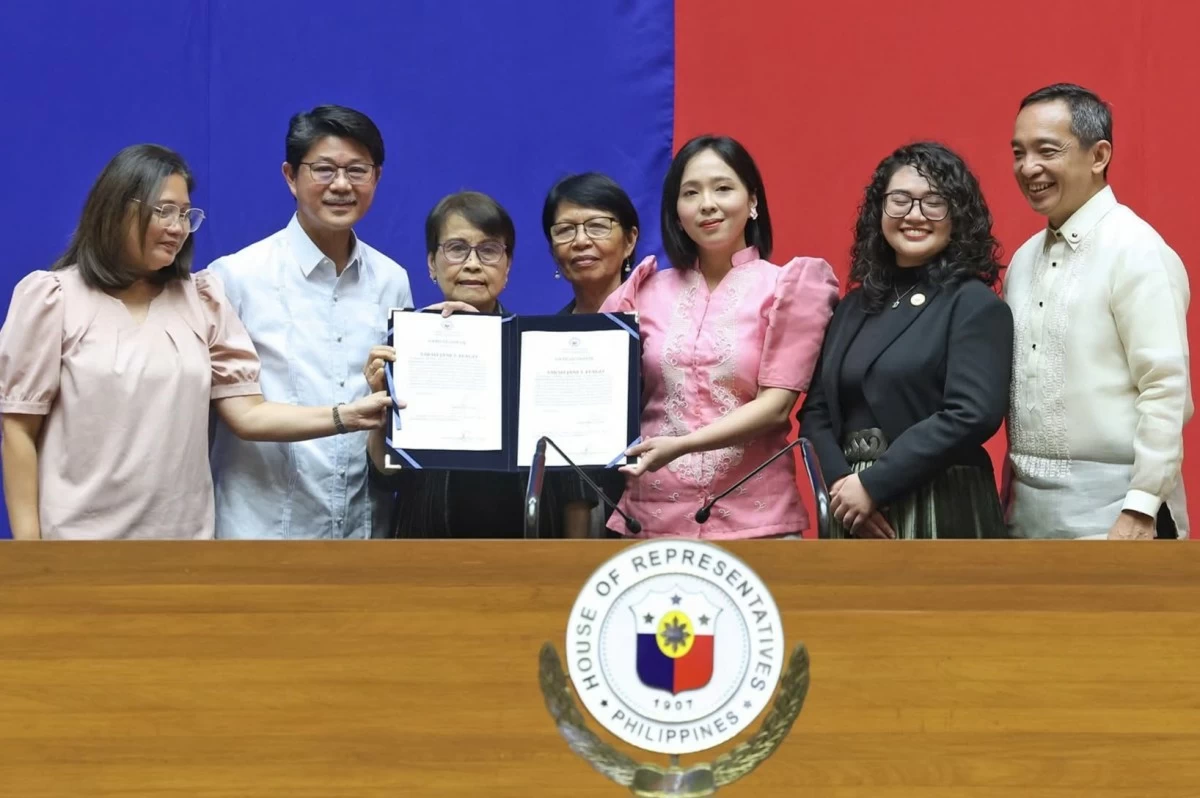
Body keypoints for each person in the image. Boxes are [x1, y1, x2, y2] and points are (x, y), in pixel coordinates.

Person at [0, 144, 393, 540]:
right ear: (117, 208)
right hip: (74, 544)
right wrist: (31, 551)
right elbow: (17, 429)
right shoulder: (53, 298)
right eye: (164, 211)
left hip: (184, 543)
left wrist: (347, 416)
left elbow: (248, 414)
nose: (177, 227)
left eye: (186, 215)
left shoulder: (202, 299)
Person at [600, 134, 839, 539]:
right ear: (676, 213)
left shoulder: (789, 287)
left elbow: (776, 406)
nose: (707, 203)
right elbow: (585, 375)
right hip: (650, 522)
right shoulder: (642, 292)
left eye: (723, 188)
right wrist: (468, 324)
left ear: (753, 201)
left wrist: (680, 445)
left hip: (757, 522)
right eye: (690, 193)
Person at [205, 105, 413, 540]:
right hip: (260, 533)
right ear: (290, 176)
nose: (341, 185)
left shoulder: (392, 281)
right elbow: (233, 414)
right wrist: (345, 415)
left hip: (364, 532)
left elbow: (397, 413)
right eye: (324, 169)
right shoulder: (235, 277)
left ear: (376, 177)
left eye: (358, 170)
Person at [799, 142, 1013, 539]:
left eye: (934, 202)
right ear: (879, 210)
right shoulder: (853, 306)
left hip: (940, 500)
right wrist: (845, 490)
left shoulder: (973, 304)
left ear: (958, 215)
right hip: (852, 506)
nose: (914, 215)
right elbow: (815, 413)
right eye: (900, 201)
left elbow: (972, 413)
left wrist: (875, 485)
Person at [1006, 83, 1191, 540]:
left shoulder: (1137, 250)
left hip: (1118, 517)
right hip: (1022, 517)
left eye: (1046, 150)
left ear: (1099, 155)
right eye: (1018, 152)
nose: (1029, 168)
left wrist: (1142, 508)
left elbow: (1166, 389)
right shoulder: (1022, 259)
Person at [364, 190, 568, 538]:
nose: (473, 263)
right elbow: (386, 473)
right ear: (432, 263)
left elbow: (564, 474)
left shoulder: (539, 350)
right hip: (428, 538)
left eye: (489, 250)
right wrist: (380, 408)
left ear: (508, 265)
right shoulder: (408, 348)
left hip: (523, 541)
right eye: (457, 249)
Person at [541, 172, 640, 537]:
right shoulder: (547, 340)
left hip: (654, 512)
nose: (581, 241)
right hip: (562, 517)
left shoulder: (666, 325)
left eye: (598, 226)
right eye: (565, 230)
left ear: (630, 240)